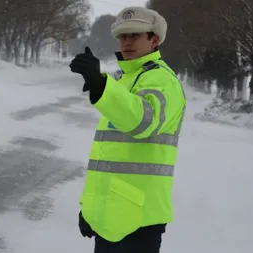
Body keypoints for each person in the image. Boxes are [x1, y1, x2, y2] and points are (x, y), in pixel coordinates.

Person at [69, 6, 186, 253]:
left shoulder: (161, 79)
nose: (127, 42)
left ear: (154, 40)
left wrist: (101, 85)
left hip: (138, 224)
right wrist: (91, 209)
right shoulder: (126, 80)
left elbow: (142, 121)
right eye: (123, 36)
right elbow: (110, 157)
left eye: (135, 35)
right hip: (113, 218)